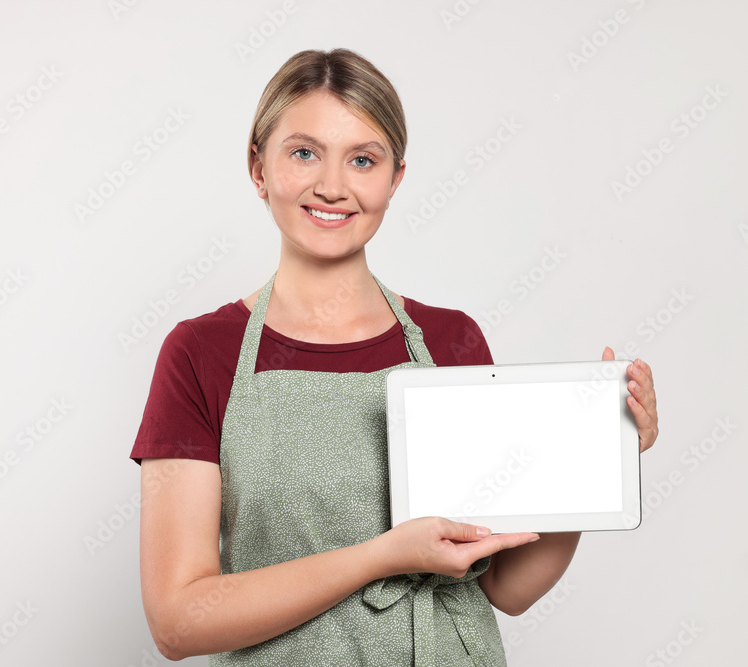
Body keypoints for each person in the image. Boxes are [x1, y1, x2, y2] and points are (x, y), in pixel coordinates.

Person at [130, 48, 658, 665]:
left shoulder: (450, 342)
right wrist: (382, 557)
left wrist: (596, 452)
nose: (332, 185)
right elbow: (177, 621)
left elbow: (506, 588)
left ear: (396, 178)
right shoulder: (201, 352)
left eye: (362, 159)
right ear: (258, 167)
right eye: (303, 152)